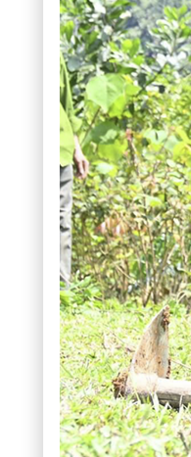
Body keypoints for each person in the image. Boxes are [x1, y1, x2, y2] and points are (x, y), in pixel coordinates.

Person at [58, 52, 89, 286]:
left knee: (61, 221)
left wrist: (77, 149)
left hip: (61, 150)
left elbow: (66, 107)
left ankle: (60, 288)